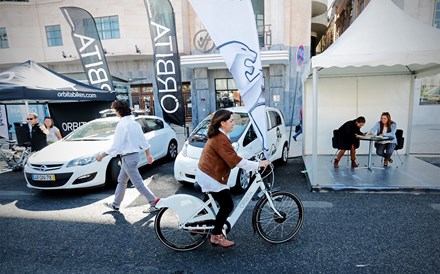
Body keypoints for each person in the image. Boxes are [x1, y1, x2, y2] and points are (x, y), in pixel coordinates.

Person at [195, 109, 270, 248]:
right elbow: (235, 160)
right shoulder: (220, 138)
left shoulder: (220, 134)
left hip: (207, 173)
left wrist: (249, 160)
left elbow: (231, 155)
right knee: (227, 205)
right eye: (231, 121)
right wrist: (258, 164)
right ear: (222, 123)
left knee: (212, 201)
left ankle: (197, 224)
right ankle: (215, 235)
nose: (234, 123)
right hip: (211, 176)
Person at [96, 100, 159, 212]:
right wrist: (148, 155)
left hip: (128, 158)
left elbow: (116, 146)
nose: (115, 113)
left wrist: (102, 155)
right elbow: (144, 142)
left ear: (119, 111)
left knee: (138, 183)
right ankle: (116, 204)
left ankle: (154, 202)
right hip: (132, 157)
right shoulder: (135, 124)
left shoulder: (122, 125)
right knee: (122, 180)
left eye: (115, 110)